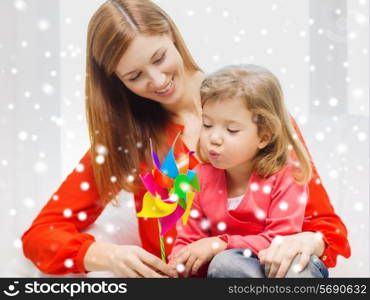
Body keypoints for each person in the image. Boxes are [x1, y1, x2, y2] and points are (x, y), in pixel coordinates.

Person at [21, 0, 350, 278]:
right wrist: (106, 256)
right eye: (134, 76)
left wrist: (309, 241)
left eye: (159, 57)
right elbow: (40, 235)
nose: (158, 79)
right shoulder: (129, 141)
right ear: (116, 82)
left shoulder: (256, 114)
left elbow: (327, 229)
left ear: (170, 34)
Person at [169, 64, 328, 278]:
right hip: (236, 272)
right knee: (225, 265)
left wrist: (220, 243)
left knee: (293, 268)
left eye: (231, 129)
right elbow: (188, 240)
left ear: (264, 136)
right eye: (207, 125)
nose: (214, 138)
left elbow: (281, 241)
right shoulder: (198, 178)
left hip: (283, 265)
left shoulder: (286, 176)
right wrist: (174, 268)